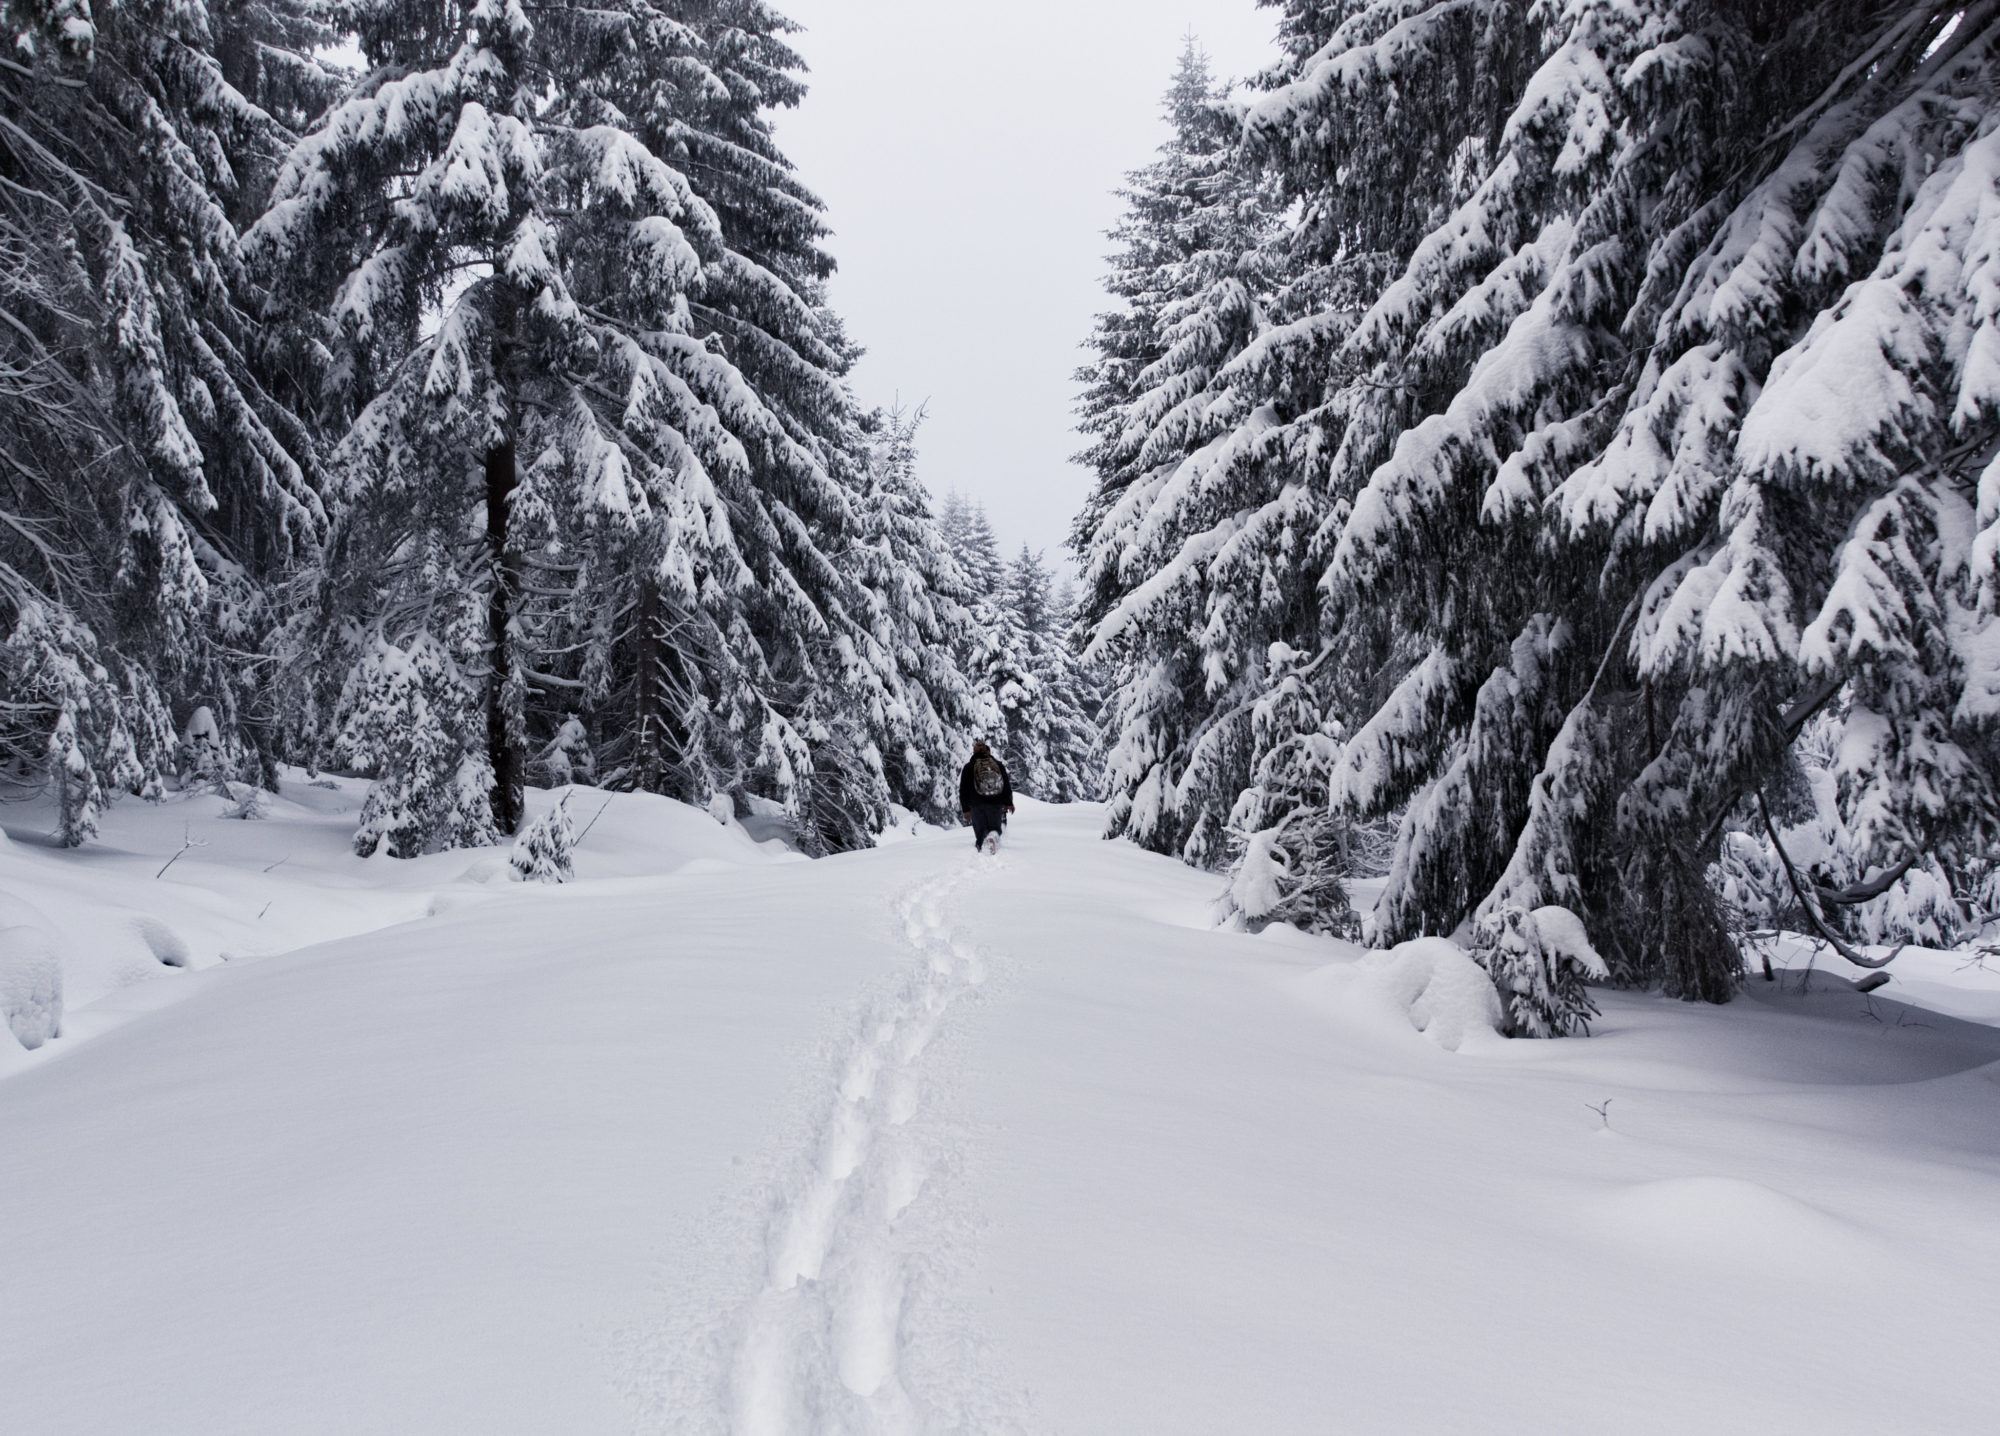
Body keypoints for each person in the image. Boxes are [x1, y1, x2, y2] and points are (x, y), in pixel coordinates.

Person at [958, 740, 1014, 854]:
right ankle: (992, 838)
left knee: (980, 834)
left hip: (976, 805)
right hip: (995, 803)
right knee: (995, 829)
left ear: (974, 752)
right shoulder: (997, 765)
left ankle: (980, 851)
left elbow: (963, 790)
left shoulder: (968, 767)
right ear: (987, 751)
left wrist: (965, 810)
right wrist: (1008, 803)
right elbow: (1006, 786)